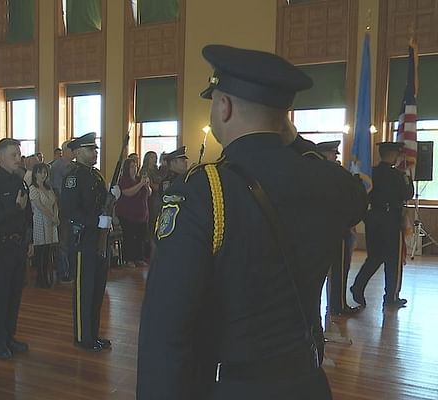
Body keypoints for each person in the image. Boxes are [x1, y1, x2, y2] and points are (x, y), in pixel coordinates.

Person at [137, 45, 367, 399]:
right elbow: (357, 197)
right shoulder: (330, 181)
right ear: (284, 117)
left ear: (224, 107)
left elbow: (164, 329)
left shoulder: (204, 191)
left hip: (233, 386)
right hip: (306, 382)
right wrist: (294, 141)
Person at [61, 132, 116, 352]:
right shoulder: (73, 177)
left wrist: (112, 196)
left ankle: (93, 333)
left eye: (95, 149)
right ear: (77, 152)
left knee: (97, 289)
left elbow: (101, 203)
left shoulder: (95, 175)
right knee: (85, 290)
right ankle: (84, 337)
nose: (95, 153)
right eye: (90, 149)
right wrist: (96, 220)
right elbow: (69, 211)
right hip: (83, 239)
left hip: (98, 240)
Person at [0, 138, 31, 359]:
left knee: (14, 295)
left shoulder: (20, 181)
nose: (18, 159)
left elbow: (27, 215)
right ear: (0, 158)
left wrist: (29, 242)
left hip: (18, 245)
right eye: (13, 155)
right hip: (1, 247)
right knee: (0, 296)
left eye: (19, 154)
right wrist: (15, 207)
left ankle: (10, 335)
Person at [351, 142, 414, 309]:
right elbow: (408, 194)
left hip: (373, 218)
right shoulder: (398, 175)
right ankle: (391, 297)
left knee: (375, 257)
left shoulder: (370, 173)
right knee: (393, 260)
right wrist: (407, 174)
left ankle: (358, 286)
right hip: (391, 220)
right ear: (394, 155)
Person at [314, 141, 360, 315]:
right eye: (333, 153)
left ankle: (334, 305)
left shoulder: (316, 173)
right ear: (324, 154)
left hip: (324, 228)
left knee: (334, 269)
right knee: (338, 269)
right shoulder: (331, 174)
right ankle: (337, 306)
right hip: (334, 228)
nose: (335, 157)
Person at [116, 158, 151, 268]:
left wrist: (147, 185)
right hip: (128, 214)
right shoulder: (123, 180)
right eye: (132, 166)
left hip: (142, 213)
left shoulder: (139, 179)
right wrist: (141, 184)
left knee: (141, 237)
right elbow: (128, 193)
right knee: (130, 237)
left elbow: (149, 193)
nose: (134, 169)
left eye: (135, 166)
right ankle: (129, 259)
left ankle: (139, 258)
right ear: (127, 168)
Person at [30, 163, 59, 288]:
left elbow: (55, 203)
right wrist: (51, 216)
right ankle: (40, 278)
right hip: (39, 220)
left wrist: (56, 215)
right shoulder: (32, 188)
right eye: (40, 172)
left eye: (45, 172)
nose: (43, 175)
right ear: (35, 174)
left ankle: (46, 276)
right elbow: (39, 206)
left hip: (50, 221)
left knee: (47, 250)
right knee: (40, 250)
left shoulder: (48, 188)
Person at [50, 140, 74, 282]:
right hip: (62, 208)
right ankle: (63, 272)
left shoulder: (73, 166)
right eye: (72, 150)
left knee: (70, 241)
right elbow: (56, 189)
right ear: (65, 151)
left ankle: (71, 270)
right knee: (63, 242)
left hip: (70, 208)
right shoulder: (57, 166)